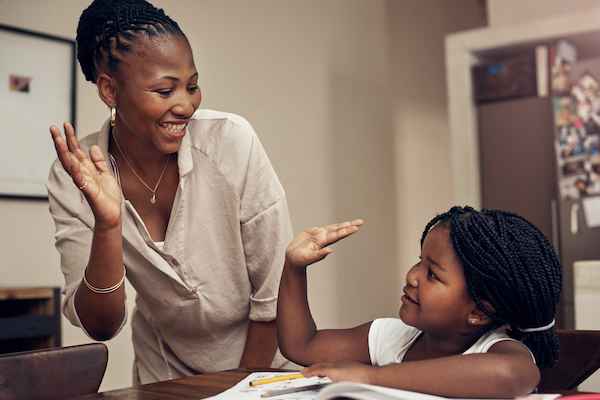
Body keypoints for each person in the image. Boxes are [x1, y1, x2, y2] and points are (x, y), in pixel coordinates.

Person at [47, 0, 294, 385]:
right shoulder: (74, 177)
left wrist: (238, 388)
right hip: (166, 373)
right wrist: (108, 226)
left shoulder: (232, 141)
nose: (186, 105)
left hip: (266, 363)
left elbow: (276, 292)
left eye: (192, 86)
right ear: (110, 91)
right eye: (165, 91)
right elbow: (101, 326)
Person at [277, 206, 563, 398]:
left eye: (432, 274)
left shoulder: (494, 350)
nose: (412, 276)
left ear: (479, 311)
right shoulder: (392, 337)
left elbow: (511, 375)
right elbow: (302, 345)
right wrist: (293, 268)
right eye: (419, 261)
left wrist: (370, 376)